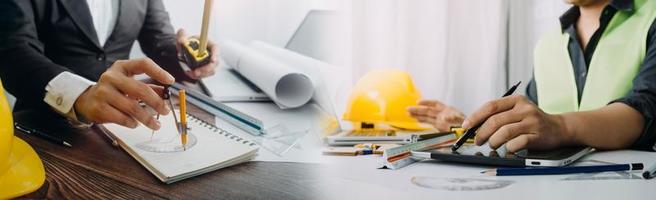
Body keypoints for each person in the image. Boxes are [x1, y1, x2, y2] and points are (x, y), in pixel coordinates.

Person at [408, 0, 656, 152]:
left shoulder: (651, 15)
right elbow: (535, 123)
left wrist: (559, 127)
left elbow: (647, 110)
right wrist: (471, 126)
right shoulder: (548, 44)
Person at [0, 0, 218, 131]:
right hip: (47, 127)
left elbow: (159, 41)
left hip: (123, 127)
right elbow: (13, 50)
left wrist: (189, 55)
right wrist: (79, 94)